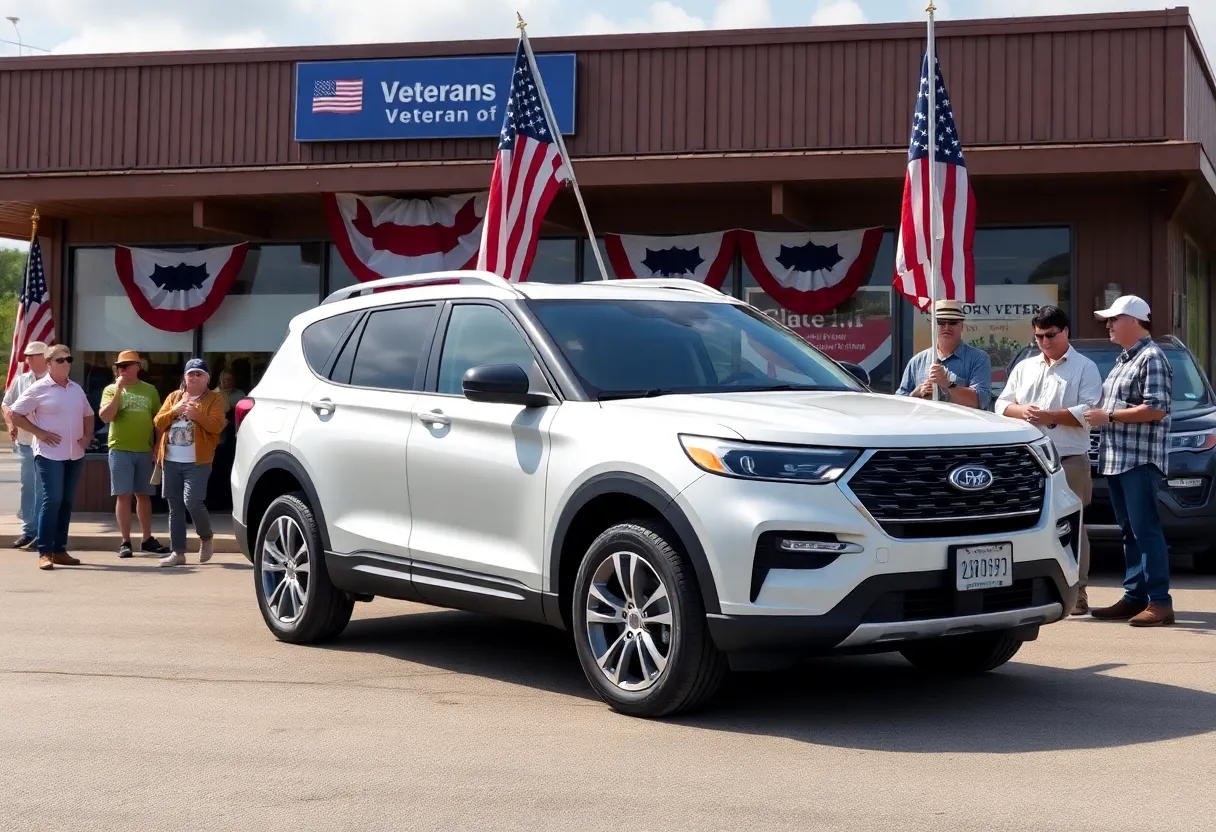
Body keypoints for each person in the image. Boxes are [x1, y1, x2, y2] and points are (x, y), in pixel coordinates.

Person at [995, 306, 1103, 615]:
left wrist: (1049, 416)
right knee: (1023, 524)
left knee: (1073, 525)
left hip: (1068, 457)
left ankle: (1078, 591)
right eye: (1039, 336)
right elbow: (1001, 404)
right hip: (1026, 461)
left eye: (1050, 335)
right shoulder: (1025, 367)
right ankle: (1022, 587)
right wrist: (1024, 412)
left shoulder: (1085, 367)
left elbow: (1090, 412)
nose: (1044, 341)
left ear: (1066, 331)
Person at [1083, 296, 1175, 627]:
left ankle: (1160, 602)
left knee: (1145, 528)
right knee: (1129, 530)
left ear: (1134, 321)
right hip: (1118, 459)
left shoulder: (1151, 358)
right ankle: (1135, 597)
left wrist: (1107, 415)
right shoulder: (1126, 358)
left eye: (1113, 319)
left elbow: (1156, 408)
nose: (1107, 324)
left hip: (1138, 460)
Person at [7, 344, 94, 571]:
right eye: (60, 360)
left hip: (75, 454)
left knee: (65, 502)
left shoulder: (76, 388)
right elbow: (15, 414)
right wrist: (40, 433)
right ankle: (44, 551)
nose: (66, 364)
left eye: (69, 359)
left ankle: (59, 549)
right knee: (52, 498)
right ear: (48, 364)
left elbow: (89, 414)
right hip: (49, 455)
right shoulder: (38, 388)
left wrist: (87, 438)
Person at [152, 359, 226, 567]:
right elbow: (158, 421)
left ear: (207, 379)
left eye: (199, 374)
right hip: (171, 460)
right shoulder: (174, 396)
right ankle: (178, 552)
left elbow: (217, 426)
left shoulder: (214, 399)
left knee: (192, 501)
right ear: (184, 377)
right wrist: (174, 411)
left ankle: (206, 536)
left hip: (198, 461)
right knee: (174, 506)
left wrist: (197, 415)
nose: (194, 377)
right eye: (190, 374)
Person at [97, 350, 171, 559]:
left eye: (128, 365)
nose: (123, 369)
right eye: (120, 366)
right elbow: (105, 417)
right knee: (123, 495)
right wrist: (119, 391)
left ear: (138, 367)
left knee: (144, 495)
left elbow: (158, 420)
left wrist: (158, 445)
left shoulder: (150, 391)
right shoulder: (111, 390)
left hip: (144, 450)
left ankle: (147, 539)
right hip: (119, 448)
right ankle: (125, 541)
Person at [895, 299, 992, 408]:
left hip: (961, 424)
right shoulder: (917, 361)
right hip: (924, 423)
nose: (947, 327)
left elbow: (980, 401)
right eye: (941, 322)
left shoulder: (978, 359)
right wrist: (916, 393)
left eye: (953, 322)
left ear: (961, 327)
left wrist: (947, 384)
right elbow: (899, 404)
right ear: (932, 326)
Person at [2, 340, 50, 550]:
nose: (28, 360)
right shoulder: (21, 380)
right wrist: (11, 423)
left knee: (43, 488)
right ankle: (29, 530)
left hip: (47, 443)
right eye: (27, 356)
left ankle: (41, 531)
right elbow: (6, 404)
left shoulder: (54, 381)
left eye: (32, 356)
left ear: (43, 358)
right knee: (28, 486)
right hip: (25, 443)